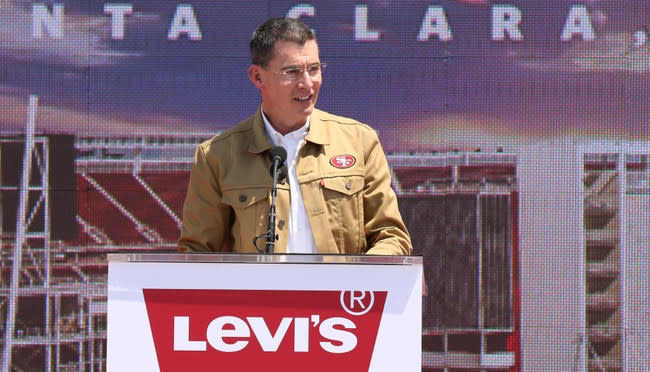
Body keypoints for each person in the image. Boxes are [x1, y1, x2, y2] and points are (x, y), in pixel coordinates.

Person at [178, 16, 411, 255]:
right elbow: (197, 253)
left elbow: (391, 237)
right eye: (292, 72)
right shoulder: (216, 156)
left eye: (314, 69)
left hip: (339, 292)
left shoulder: (360, 141)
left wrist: (359, 280)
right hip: (259, 293)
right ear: (258, 77)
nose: (307, 83)